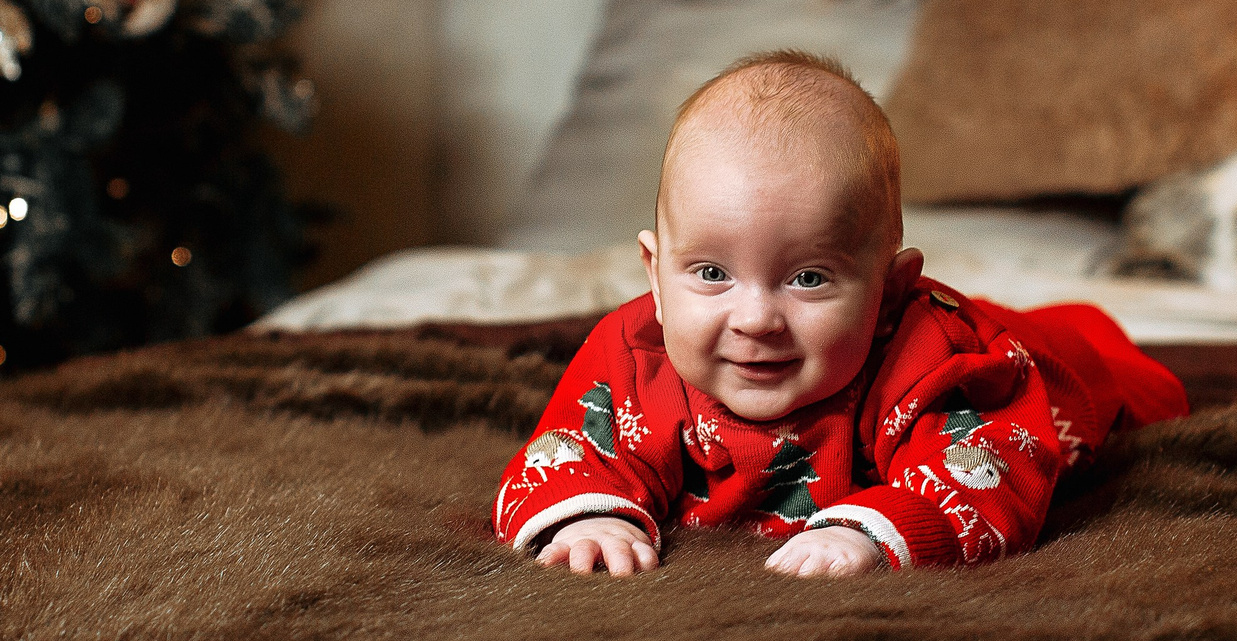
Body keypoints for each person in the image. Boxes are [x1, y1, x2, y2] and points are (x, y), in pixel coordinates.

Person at [491, 50, 1188, 576]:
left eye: (808, 277)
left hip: (1065, 368)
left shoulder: (935, 359)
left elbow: (989, 463)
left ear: (888, 291)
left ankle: (1103, 341)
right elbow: (573, 447)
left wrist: (873, 531)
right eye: (710, 273)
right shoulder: (637, 349)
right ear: (654, 272)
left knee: (1129, 379)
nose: (756, 317)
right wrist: (587, 517)